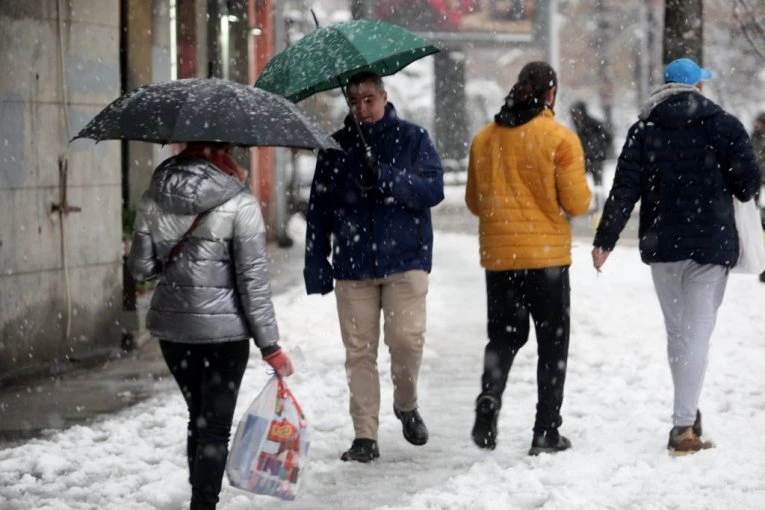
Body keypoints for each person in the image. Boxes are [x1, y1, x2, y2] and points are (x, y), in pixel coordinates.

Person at [591, 58, 760, 456]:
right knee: (697, 334)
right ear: (698, 87)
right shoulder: (724, 125)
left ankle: (688, 411)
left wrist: (605, 240)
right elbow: (749, 183)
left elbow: (624, 189)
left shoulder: (643, 129)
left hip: (662, 244)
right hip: (711, 244)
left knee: (678, 334)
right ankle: (684, 428)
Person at [127, 142, 294, 509]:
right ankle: (203, 504)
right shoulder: (242, 202)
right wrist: (271, 346)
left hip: (174, 332)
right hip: (224, 334)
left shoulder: (153, 196)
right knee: (215, 425)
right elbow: (252, 282)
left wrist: (171, 265)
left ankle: (200, 497)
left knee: (199, 417)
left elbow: (140, 269)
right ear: (228, 150)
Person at [303, 71, 445, 463]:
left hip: (405, 260)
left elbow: (432, 190)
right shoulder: (335, 148)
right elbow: (319, 210)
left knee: (405, 341)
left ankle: (406, 403)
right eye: (355, 101)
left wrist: (386, 177)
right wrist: (317, 262)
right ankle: (365, 434)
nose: (362, 108)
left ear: (385, 97)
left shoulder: (413, 138)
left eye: (369, 99)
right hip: (353, 265)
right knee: (359, 352)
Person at [466, 61, 592, 456]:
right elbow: (576, 201)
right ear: (550, 93)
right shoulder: (560, 138)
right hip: (547, 261)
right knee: (552, 344)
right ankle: (545, 431)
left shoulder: (484, 139)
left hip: (501, 259)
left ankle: (490, 395)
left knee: (503, 337)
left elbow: (473, 202)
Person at [570, 100, 613, 208]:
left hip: (595, 159)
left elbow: (608, 137)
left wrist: (600, 150)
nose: (576, 116)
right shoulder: (578, 126)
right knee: (578, 182)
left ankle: (600, 207)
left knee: (598, 185)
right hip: (583, 159)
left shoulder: (593, 123)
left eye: (577, 113)